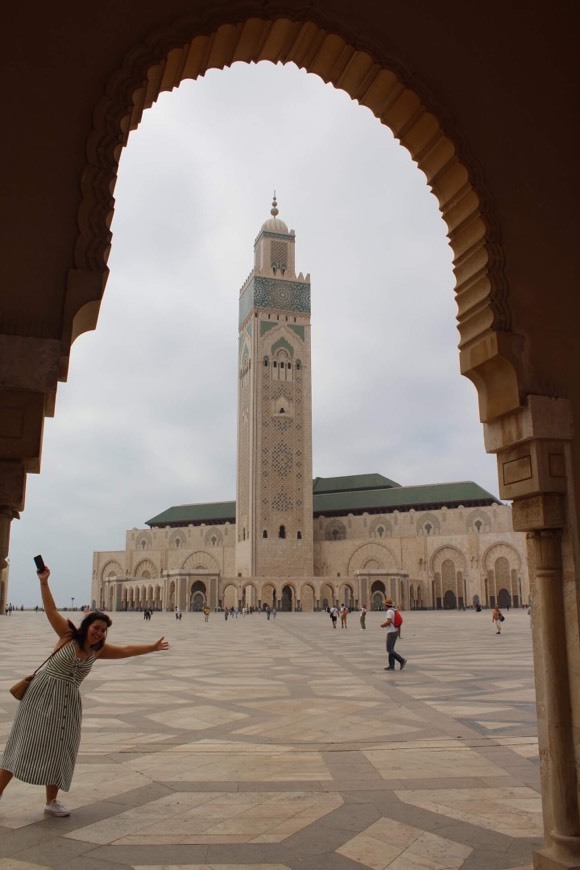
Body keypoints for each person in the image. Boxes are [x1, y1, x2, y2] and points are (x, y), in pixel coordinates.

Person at [0, 566, 169, 818]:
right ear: (86, 625)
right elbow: (50, 610)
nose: (99, 632)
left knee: (60, 747)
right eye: (96, 627)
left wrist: (152, 648)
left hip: (68, 703)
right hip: (42, 696)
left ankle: (51, 801)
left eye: (103, 630)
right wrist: (44, 582)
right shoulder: (67, 635)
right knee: (24, 742)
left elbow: (125, 650)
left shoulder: (97, 650)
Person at [380, 598, 407, 671]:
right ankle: (391, 666)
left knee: (389, 649)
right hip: (395, 631)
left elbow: (388, 621)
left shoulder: (389, 611)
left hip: (391, 632)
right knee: (391, 649)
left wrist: (383, 625)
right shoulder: (394, 610)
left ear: (386, 605)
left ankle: (401, 660)